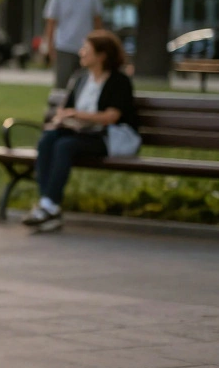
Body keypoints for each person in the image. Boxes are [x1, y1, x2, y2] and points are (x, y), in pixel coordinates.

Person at [24, 30, 137, 231]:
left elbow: (111, 117)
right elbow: (65, 109)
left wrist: (77, 115)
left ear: (102, 55)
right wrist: (63, 118)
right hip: (80, 132)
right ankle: (48, 206)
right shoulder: (80, 78)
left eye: (86, 49)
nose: (81, 52)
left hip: (108, 136)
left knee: (65, 146)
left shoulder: (119, 81)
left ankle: (48, 207)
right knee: (48, 139)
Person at [43, 0, 104, 89]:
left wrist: (98, 45)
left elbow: (97, 22)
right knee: (62, 85)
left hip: (87, 48)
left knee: (85, 85)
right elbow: (51, 23)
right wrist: (49, 47)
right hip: (64, 46)